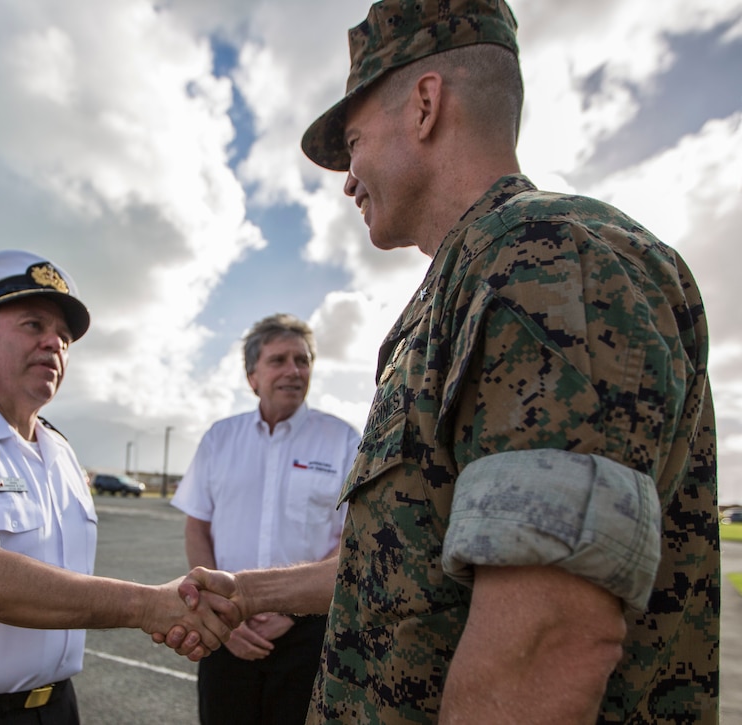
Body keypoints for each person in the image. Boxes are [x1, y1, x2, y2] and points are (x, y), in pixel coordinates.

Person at [173, 1, 720, 722]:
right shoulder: (467, 283)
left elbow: (546, 643)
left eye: (355, 141)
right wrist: (249, 591)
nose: (348, 179)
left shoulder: (549, 263)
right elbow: (406, 569)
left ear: (425, 105)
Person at [0, 250, 238, 725]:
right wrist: (148, 606)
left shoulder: (61, 452)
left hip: (55, 708)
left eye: (64, 338)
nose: (54, 344)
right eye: (33, 325)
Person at [171, 313, 361, 725]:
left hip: (309, 633)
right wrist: (220, 611)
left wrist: (290, 606)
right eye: (279, 360)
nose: (294, 370)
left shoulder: (345, 441)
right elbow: (198, 525)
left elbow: (353, 536)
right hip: (225, 629)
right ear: (252, 375)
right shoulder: (220, 439)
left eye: (303, 360)